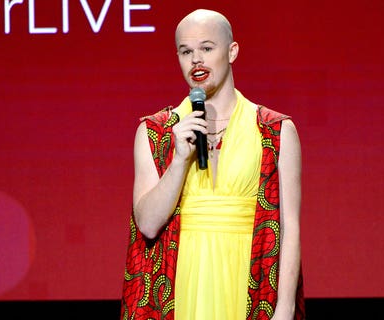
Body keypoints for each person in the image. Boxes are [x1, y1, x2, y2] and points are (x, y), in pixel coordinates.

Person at [120, 8, 305, 320]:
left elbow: (289, 228)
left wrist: (283, 309)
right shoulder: (157, 132)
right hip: (182, 283)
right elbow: (148, 224)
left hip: (248, 280)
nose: (196, 60)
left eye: (207, 48)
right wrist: (179, 159)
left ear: (231, 51)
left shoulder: (274, 130)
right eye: (186, 51)